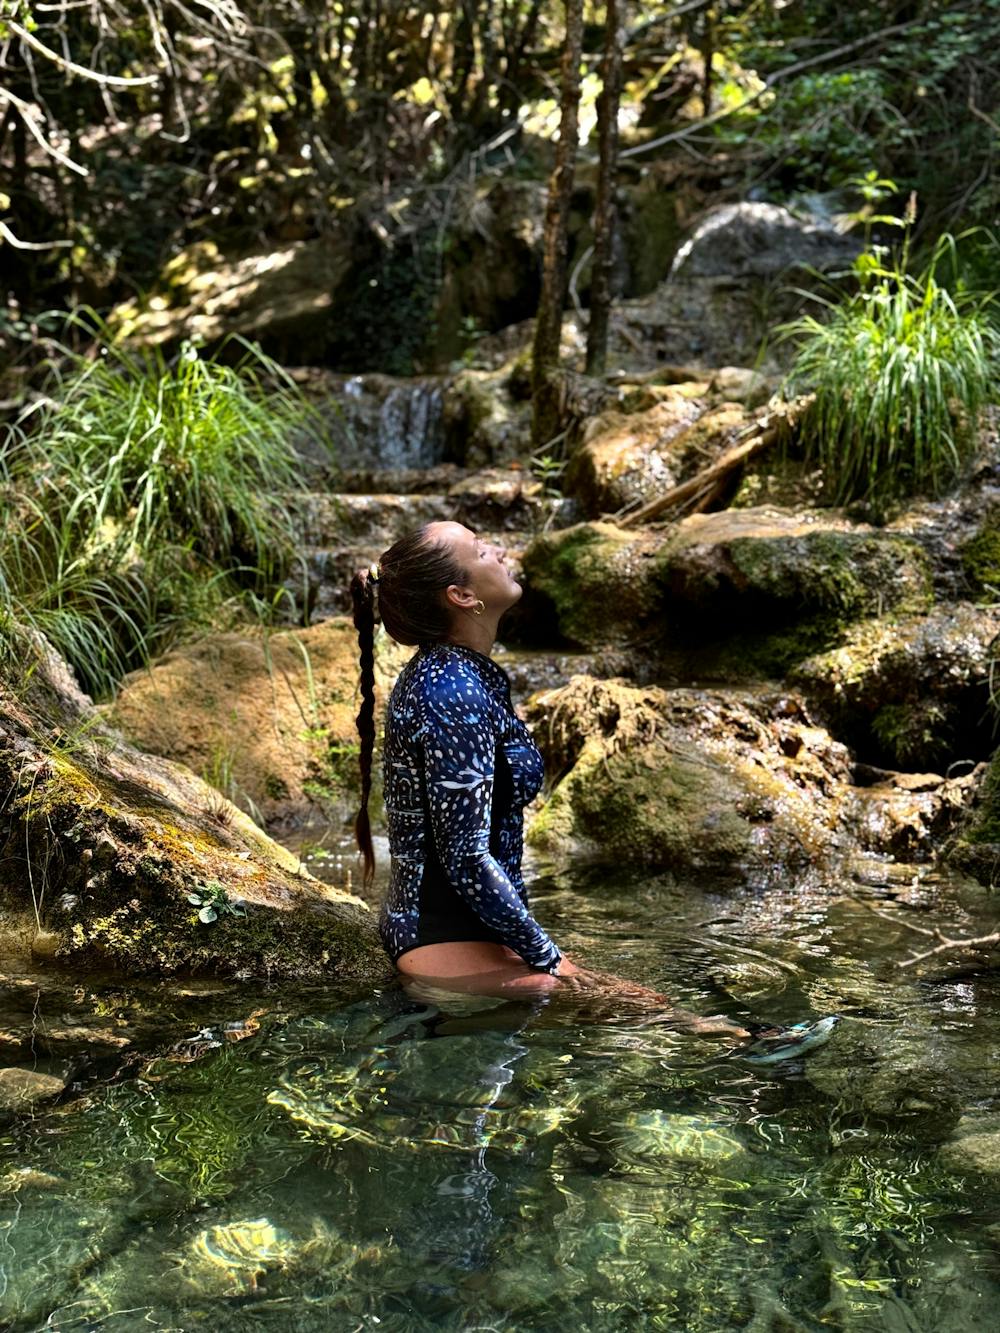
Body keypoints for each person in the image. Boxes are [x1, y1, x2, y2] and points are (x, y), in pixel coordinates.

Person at [349, 520, 749, 1035]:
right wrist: (549, 959)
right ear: (462, 595)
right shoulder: (452, 693)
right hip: (440, 940)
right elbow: (464, 854)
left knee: (627, 1005)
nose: (497, 549)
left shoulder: (456, 675)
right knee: (650, 1010)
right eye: (481, 548)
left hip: (469, 931)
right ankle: (750, 1053)